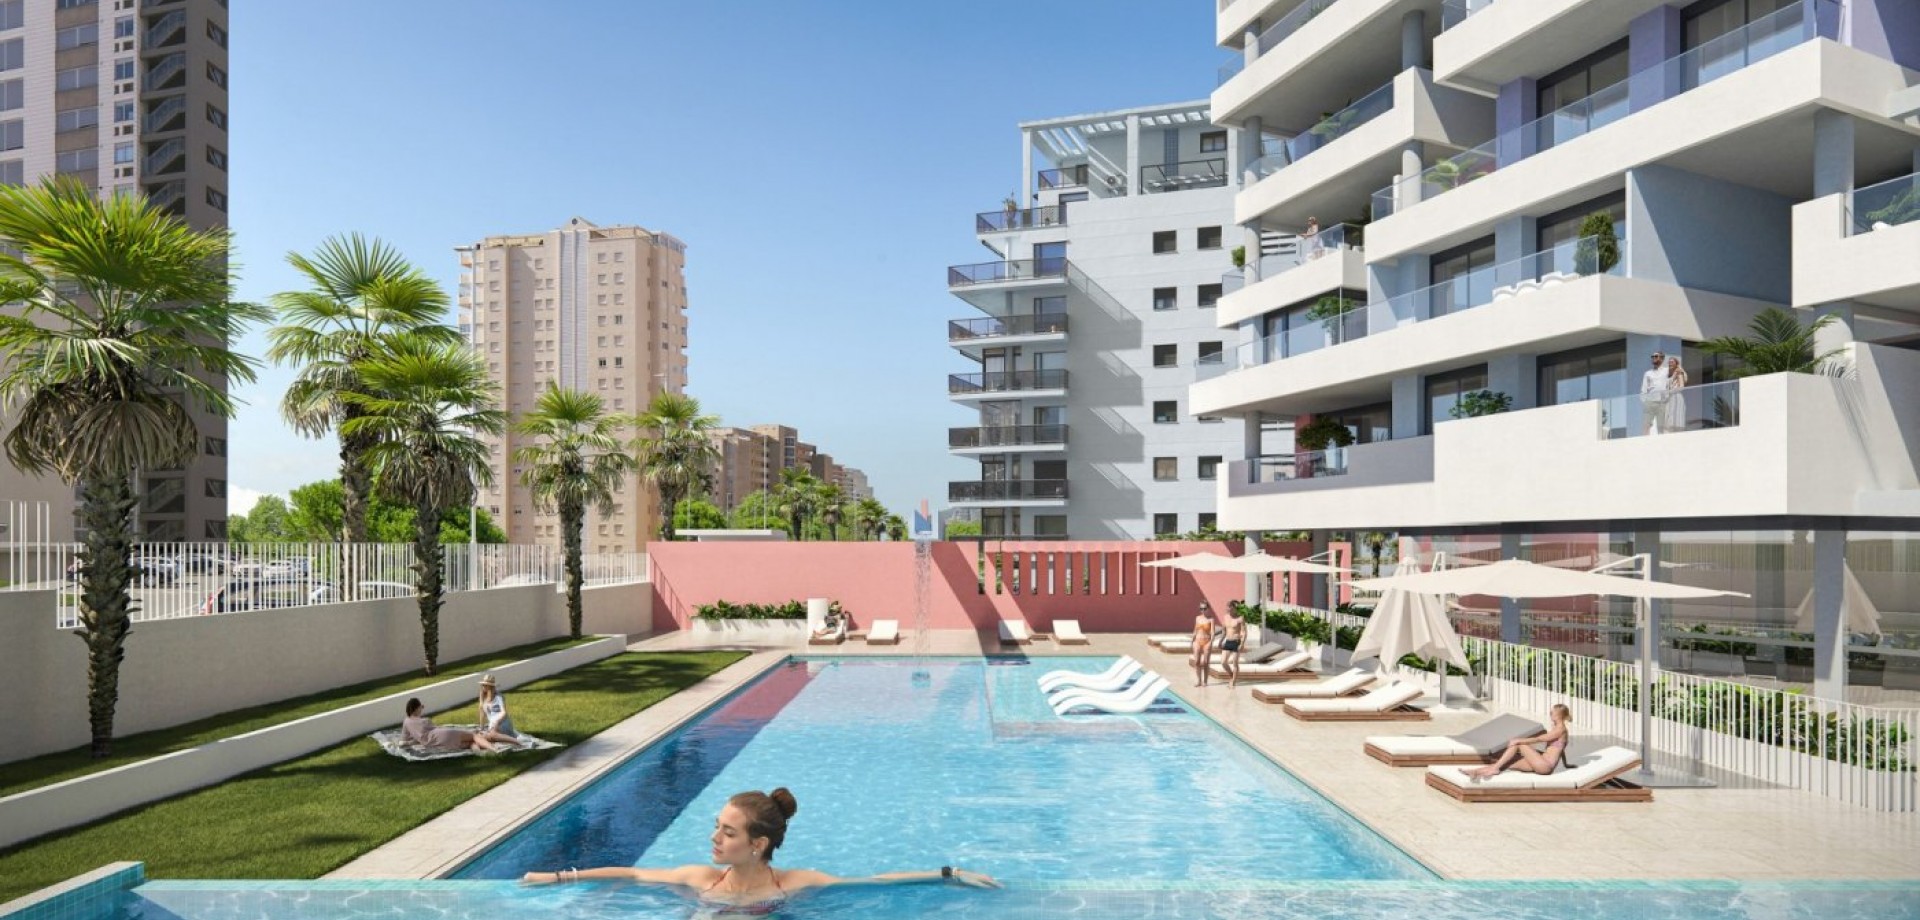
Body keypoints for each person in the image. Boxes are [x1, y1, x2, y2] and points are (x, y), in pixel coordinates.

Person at [521, 788, 997, 914]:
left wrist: (948, 872)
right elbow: (630, 875)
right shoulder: (701, 878)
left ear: (758, 844)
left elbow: (872, 884)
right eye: (716, 827)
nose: (715, 838)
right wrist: (558, 878)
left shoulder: (792, 885)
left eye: (727, 832)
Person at [1464, 704, 1572, 779]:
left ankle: (1493, 769)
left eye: (1551, 712)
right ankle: (1477, 772)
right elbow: (1560, 750)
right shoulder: (1557, 729)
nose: (1550, 714)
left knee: (1519, 744)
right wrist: (1566, 764)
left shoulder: (1560, 729)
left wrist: (1519, 739)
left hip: (1545, 766)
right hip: (1541, 762)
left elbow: (1540, 738)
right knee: (1508, 763)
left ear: (1558, 715)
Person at [401, 697, 499, 754]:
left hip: (436, 744)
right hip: (442, 735)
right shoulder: (425, 721)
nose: (422, 710)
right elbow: (438, 730)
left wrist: (410, 742)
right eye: (421, 707)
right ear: (416, 708)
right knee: (474, 736)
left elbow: (403, 741)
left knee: (470, 743)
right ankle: (494, 749)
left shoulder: (406, 722)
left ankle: (479, 753)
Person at [476, 675, 521, 748]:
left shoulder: (498, 697)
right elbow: (482, 713)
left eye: (485, 685)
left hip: (502, 722)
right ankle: (508, 740)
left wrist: (497, 722)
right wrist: (481, 727)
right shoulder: (483, 697)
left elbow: (504, 712)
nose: (483, 686)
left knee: (491, 735)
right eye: (483, 685)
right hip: (492, 724)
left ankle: (516, 741)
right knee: (479, 736)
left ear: (490, 686)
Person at [1639, 351, 1671, 435]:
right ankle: (1645, 441)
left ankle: (1662, 441)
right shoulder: (1648, 373)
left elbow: (1679, 371)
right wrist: (1645, 402)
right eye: (1652, 356)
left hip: (1662, 402)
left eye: (1656, 356)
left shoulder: (1667, 370)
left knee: (1661, 426)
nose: (1653, 358)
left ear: (1662, 358)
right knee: (1646, 425)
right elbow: (1643, 389)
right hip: (1650, 402)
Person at [1190, 602, 1216, 688]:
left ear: (1208, 609)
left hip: (1207, 641)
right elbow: (1195, 630)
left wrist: (1211, 642)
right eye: (1201, 609)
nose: (1203, 611)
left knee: (1206, 662)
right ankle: (1199, 681)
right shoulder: (1197, 618)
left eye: (1204, 609)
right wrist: (1192, 640)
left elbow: (1212, 632)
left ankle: (1205, 681)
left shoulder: (1211, 619)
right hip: (1197, 641)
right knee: (1197, 662)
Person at [1220, 611, 1247, 687]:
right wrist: (1221, 641)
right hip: (1228, 641)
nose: (1229, 609)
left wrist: (1242, 644)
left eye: (1231, 607)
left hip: (1236, 641)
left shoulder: (1240, 618)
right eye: (1228, 607)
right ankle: (1232, 676)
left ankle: (1233, 682)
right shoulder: (1225, 617)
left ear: (1234, 608)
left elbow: (1244, 632)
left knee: (1235, 663)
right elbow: (1224, 631)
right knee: (1223, 662)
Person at [1664, 356, 1689, 433]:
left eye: (1672, 362)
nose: (1670, 364)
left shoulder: (1679, 373)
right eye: (1669, 362)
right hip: (1669, 398)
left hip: (1676, 396)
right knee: (1668, 419)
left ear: (1676, 364)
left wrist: (1671, 391)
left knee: (1676, 419)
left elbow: (1681, 387)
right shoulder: (1669, 375)